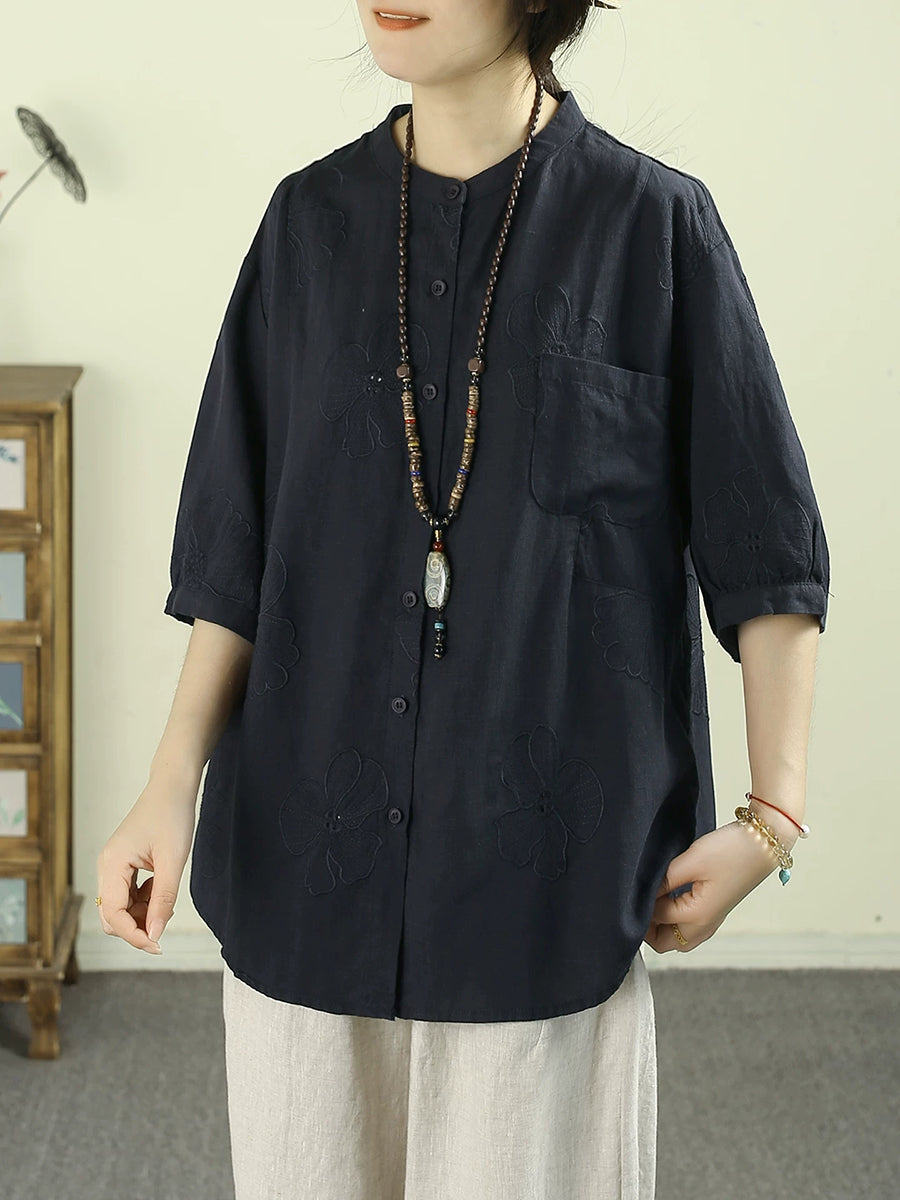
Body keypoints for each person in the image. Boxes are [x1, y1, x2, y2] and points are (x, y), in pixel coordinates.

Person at [96, 2, 830, 1197]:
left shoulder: (654, 228)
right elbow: (235, 555)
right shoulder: (305, 226)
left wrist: (773, 819)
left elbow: (769, 550)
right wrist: (167, 785)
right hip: (306, 865)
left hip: (545, 889)